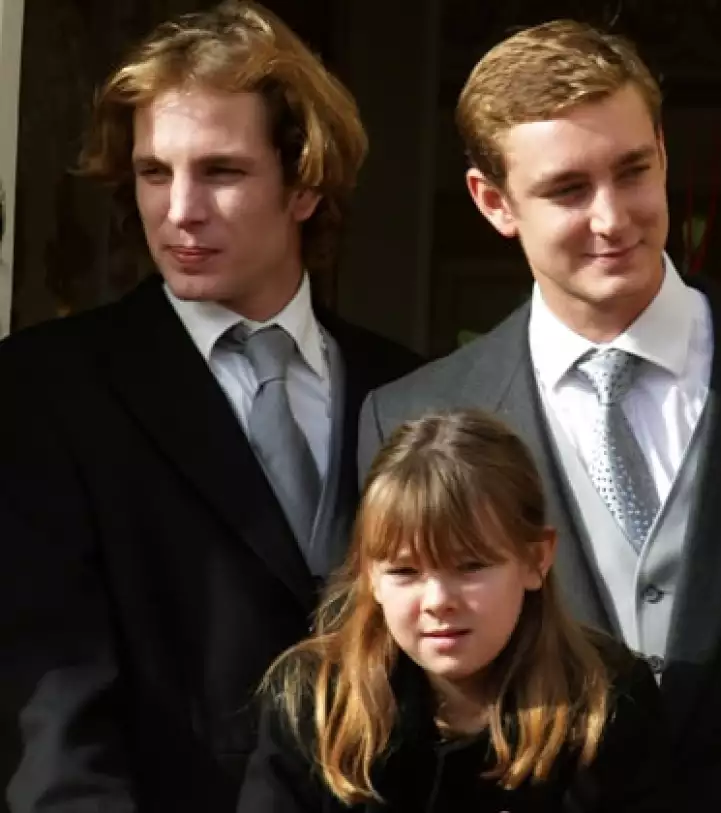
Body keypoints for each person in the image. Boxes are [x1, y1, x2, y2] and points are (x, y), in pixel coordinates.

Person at [358, 19, 721, 812]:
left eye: (633, 171)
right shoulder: (413, 415)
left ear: (663, 150)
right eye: (566, 189)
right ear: (494, 202)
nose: (613, 217)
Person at [0, 3, 421, 811]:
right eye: (155, 172)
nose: (179, 209)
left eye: (220, 172)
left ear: (304, 184)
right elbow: (50, 703)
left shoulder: (410, 390)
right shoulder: (47, 388)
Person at [239, 410, 668, 812]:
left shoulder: (603, 704)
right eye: (405, 571)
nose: (438, 600)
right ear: (370, 574)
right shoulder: (315, 703)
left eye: (471, 567)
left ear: (536, 559)